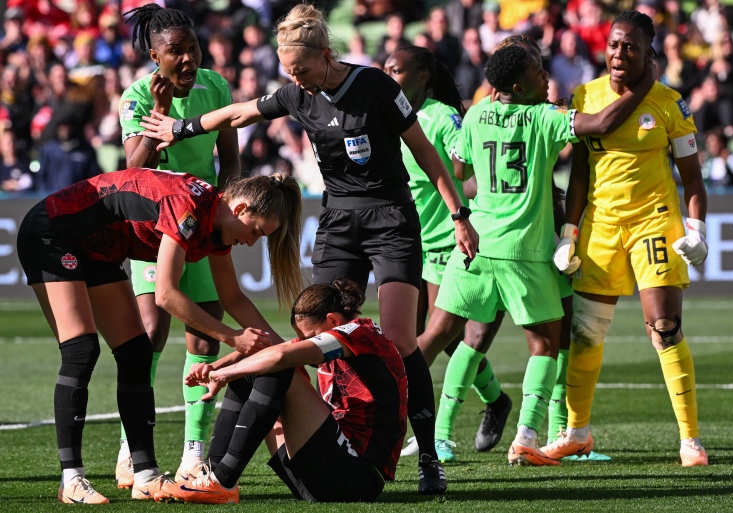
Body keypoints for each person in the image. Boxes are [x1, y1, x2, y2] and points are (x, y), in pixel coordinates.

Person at [139, 3, 479, 495]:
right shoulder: (298, 94)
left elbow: (426, 153)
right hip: (339, 222)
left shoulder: (376, 87)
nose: (296, 80)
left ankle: (428, 456)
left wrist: (458, 215)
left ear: (325, 54)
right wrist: (180, 129)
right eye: (288, 72)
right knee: (311, 326)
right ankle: (330, 431)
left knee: (402, 341)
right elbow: (240, 112)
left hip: (390, 220)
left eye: (301, 69)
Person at [415, 38, 654, 466]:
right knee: (548, 345)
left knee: (460, 339)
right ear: (520, 87)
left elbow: (460, 170)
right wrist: (642, 86)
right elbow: (600, 124)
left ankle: (440, 438)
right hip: (525, 250)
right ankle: (527, 435)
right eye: (537, 72)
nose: (546, 76)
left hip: (475, 244)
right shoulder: (543, 117)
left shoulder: (475, 114)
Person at [16, 169, 303, 504]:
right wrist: (231, 337)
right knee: (81, 349)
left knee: (137, 353)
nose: (252, 241)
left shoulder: (216, 223)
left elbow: (233, 298)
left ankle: (146, 476)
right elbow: (166, 294)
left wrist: (283, 349)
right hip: (53, 233)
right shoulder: (189, 207)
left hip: (97, 249)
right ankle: (71, 480)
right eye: (255, 231)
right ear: (239, 209)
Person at [545, 10, 709, 467]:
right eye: (615, 44)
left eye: (630, 46)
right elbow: (580, 173)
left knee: (665, 328)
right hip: (601, 227)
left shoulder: (670, 104)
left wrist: (697, 230)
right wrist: (569, 232)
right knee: (585, 333)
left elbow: (693, 181)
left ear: (647, 53)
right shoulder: (586, 95)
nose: (619, 54)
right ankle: (577, 432)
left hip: (653, 223)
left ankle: (690, 440)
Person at [117, 3, 242, 486]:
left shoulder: (216, 87)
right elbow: (132, 169)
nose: (189, 59)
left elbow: (228, 160)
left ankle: (193, 454)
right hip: (154, 228)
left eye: (193, 48)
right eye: (177, 52)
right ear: (155, 56)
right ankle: (134, 446)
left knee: (205, 334)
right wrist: (162, 113)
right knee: (150, 332)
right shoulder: (135, 98)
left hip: (203, 225)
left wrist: (225, 207)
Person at [153, 278, 406, 504]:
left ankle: (223, 481)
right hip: (326, 474)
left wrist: (226, 374)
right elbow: (270, 350)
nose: (307, 342)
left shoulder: (361, 333)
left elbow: (281, 355)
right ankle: (212, 473)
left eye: (310, 336)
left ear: (332, 321)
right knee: (257, 365)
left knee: (277, 367)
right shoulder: (339, 334)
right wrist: (215, 368)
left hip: (359, 478)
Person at [383, 45, 510, 461]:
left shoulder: (442, 116)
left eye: (397, 70)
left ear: (422, 76)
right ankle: (495, 400)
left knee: (430, 341)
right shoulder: (388, 113)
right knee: (437, 342)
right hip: (404, 240)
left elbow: (467, 164)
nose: (389, 76)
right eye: (386, 69)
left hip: (442, 241)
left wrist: (466, 213)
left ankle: (423, 429)